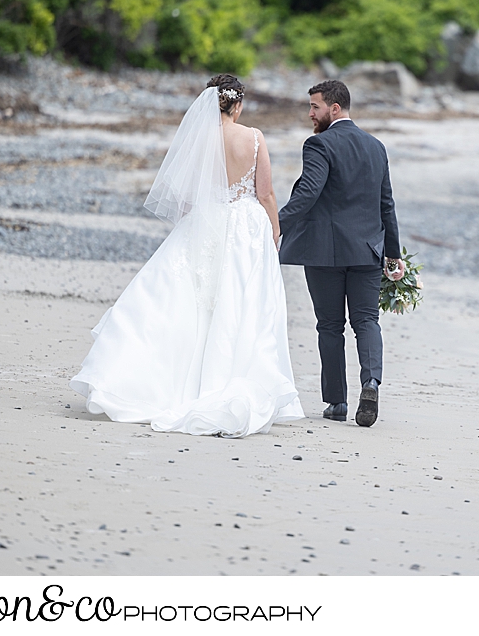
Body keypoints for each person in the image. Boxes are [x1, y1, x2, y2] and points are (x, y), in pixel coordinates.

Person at [69, 75, 304, 437]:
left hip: (206, 223)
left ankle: (159, 382)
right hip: (245, 227)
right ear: (237, 105)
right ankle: (232, 377)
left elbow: (188, 196)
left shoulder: (200, 140)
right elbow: (267, 192)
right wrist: (275, 230)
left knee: (188, 302)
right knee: (240, 304)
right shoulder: (254, 138)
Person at [278, 80, 402, 427]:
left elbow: (308, 193)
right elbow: (386, 204)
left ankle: (336, 403)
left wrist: (273, 224)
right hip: (367, 250)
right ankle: (371, 382)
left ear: (335, 108)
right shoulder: (376, 146)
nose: (310, 114)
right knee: (367, 321)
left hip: (325, 251)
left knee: (330, 326)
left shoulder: (319, 145)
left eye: (314, 107)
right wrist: (392, 254)